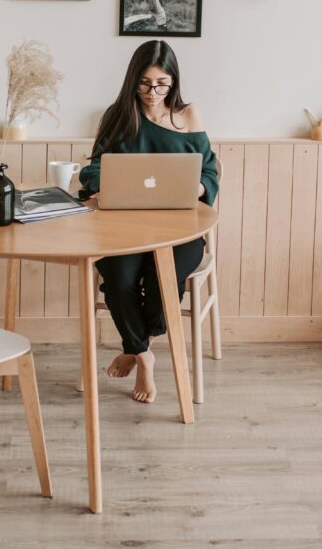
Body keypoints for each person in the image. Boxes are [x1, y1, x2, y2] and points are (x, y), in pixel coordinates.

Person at [79, 40, 218, 403]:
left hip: (180, 227)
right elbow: (93, 169)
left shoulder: (188, 116)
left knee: (163, 277)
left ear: (173, 82)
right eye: (144, 83)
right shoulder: (118, 114)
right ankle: (143, 354)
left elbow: (209, 170)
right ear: (132, 80)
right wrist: (103, 183)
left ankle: (135, 346)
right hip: (122, 226)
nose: (153, 92)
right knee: (120, 278)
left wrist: (199, 186)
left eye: (161, 83)